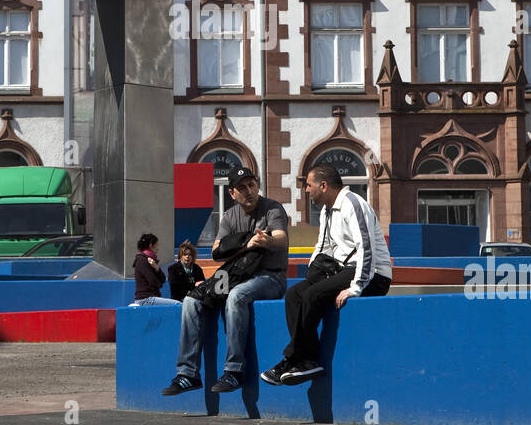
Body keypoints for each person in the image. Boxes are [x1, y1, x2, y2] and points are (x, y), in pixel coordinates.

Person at [261, 165, 392, 386]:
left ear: (323, 185)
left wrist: (355, 288)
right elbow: (323, 247)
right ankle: (308, 361)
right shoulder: (326, 211)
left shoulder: (353, 204)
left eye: (309, 185)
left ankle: (292, 358)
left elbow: (365, 249)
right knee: (295, 294)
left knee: (312, 294)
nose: (306, 191)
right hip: (343, 270)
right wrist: (313, 273)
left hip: (373, 275)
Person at [162, 166, 288, 395]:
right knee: (191, 300)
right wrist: (246, 242)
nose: (249, 191)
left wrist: (265, 240)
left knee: (236, 296)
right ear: (232, 194)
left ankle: (234, 371)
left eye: (251, 185)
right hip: (234, 276)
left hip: (270, 277)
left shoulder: (272, 208)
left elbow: (280, 238)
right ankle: (187, 374)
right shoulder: (229, 217)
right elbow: (216, 250)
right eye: (242, 188)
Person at [130, 233, 177, 306]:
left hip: (152, 298)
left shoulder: (151, 261)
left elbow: (163, 279)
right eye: (156, 245)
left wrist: (157, 268)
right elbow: (154, 282)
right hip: (145, 299)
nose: (158, 248)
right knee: (177, 304)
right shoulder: (142, 260)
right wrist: (159, 283)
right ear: (151, 245)